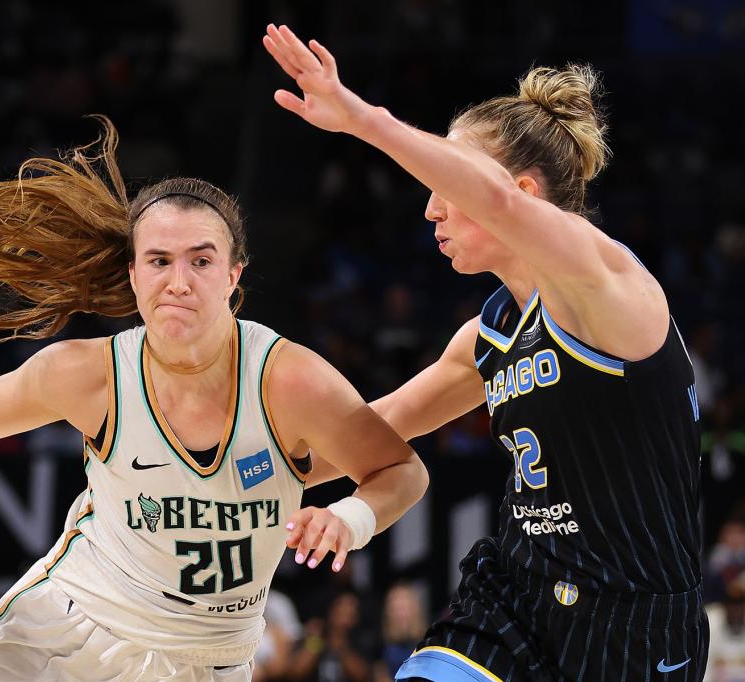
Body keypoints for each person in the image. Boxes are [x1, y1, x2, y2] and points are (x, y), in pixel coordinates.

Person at [0, 117, 429, 681]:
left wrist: (350, 520)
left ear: (235, 275)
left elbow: (401, 470)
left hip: (206, 660)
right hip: (64, 627)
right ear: (133, 274)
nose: (179, 280)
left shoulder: (291, 381)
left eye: (201, 260)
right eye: (159, 261)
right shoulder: (91, 375)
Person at [264, 23, 707, 681]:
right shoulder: (487, 336)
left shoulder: (609, 288)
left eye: (450, 184)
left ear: (523, 195)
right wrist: (217, 478)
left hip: (633, 623)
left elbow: (489, 197)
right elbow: (365, 436)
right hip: (517, 596)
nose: (431, 209)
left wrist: (361, 119)